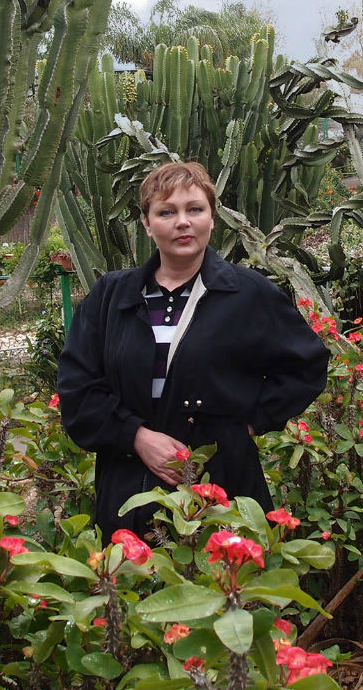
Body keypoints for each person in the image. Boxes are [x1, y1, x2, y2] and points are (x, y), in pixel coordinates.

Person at [56, 161, 329, 540]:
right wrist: (136, 436)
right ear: (148, 225)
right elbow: (77, 387)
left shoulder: (249, 294)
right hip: (128, 487)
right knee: (132, 590)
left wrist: (247, 425)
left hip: (223, 482)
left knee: (227, 587)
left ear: (212, 218)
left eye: (194, 209)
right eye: (166, 212)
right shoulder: (110, 297)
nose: (182, 222)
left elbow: (307, 365)